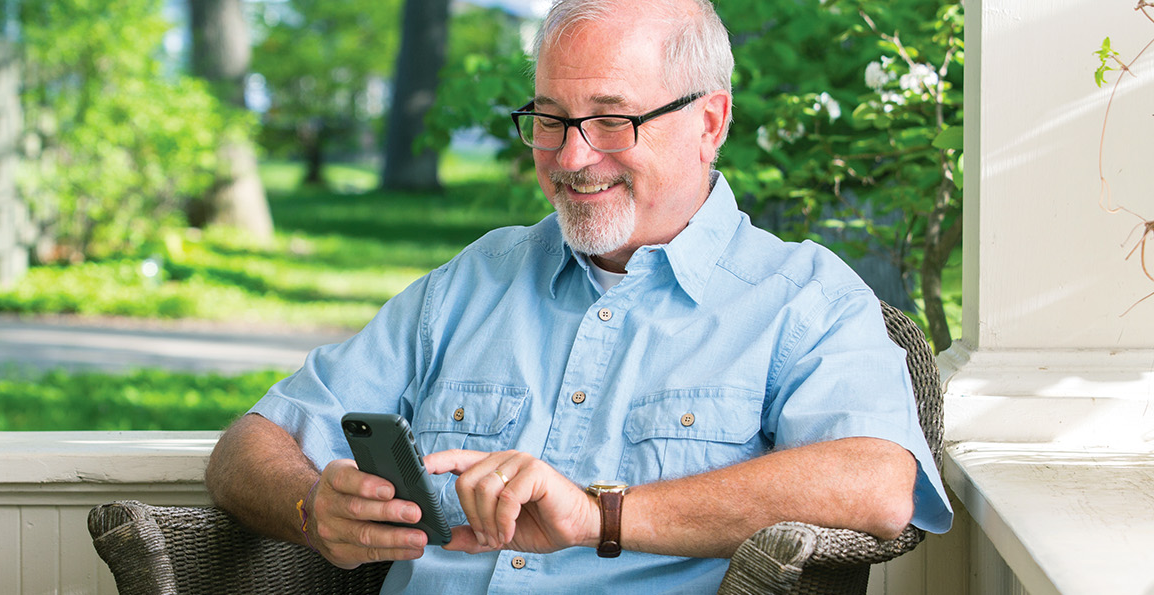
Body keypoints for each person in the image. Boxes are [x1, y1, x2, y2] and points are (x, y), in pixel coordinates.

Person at [205, 0, 953, 591]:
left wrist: (602, 514)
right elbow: (249, 444)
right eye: (551, 120)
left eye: (610, 119)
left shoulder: (803, 298)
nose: (571, 157)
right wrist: (313, 509)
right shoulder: (475, 280)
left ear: (710, 122)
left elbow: (878, 482)